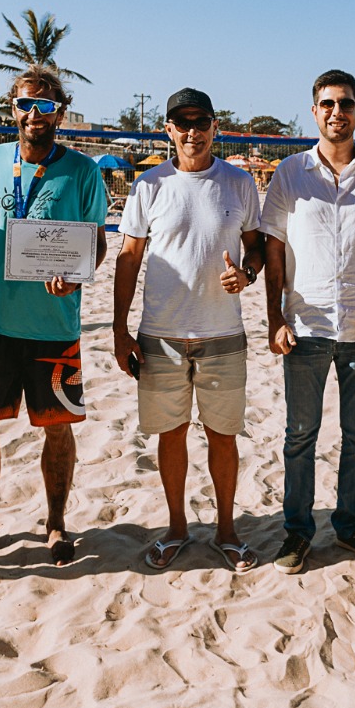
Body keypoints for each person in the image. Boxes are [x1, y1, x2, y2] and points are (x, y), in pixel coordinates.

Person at [0, 65, 108, 569]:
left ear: (61, 111)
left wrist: (77, 277)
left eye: (47, 105)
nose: (35, 113)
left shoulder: (82, 170)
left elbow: (95, 241)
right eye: (25, 104)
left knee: (57, 428)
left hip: (54, 324)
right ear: (12, 109)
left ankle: (56, 523)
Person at [261, 69, 355, 574]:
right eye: (327, 103)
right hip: (304, 326)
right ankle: (297, 533)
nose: (336, 112)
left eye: (345, 103)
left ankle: (350, 527)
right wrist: (274, 317)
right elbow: (274, 248)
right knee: (300, 435)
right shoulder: (290, 172)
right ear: (314, 111)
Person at [113, 88, 264, 572]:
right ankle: (177, 527)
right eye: (182, 122)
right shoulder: (150, 185)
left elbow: (256, 247)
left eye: (201, 122)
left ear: (215, 127)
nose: (192, 131)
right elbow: (128, 258)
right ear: (169, 130)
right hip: (161, 334)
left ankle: (226, 530)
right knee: (171, 435)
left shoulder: (239, 183)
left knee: (223, 436)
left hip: (223, 332)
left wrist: (248, 274)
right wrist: (119, 329)